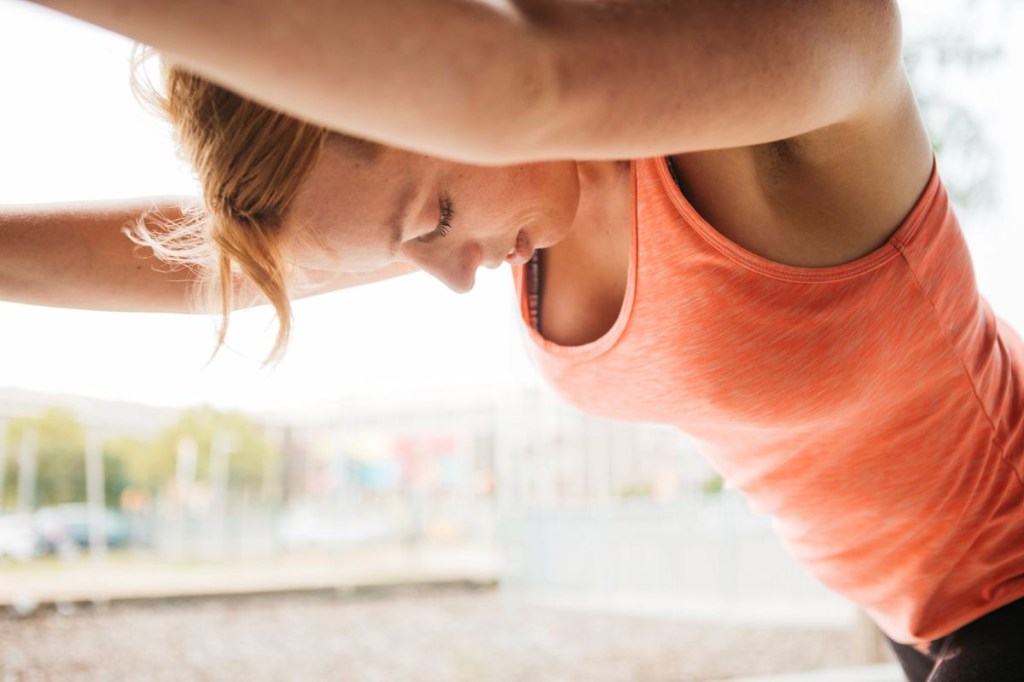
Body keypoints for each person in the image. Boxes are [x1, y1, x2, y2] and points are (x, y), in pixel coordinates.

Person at [4, 1, 1023, 679]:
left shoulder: (794, 96)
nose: (446, 274)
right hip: (921, 611)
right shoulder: (522, 206)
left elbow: (519, 79)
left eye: (434, 215)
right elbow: (191, 262)